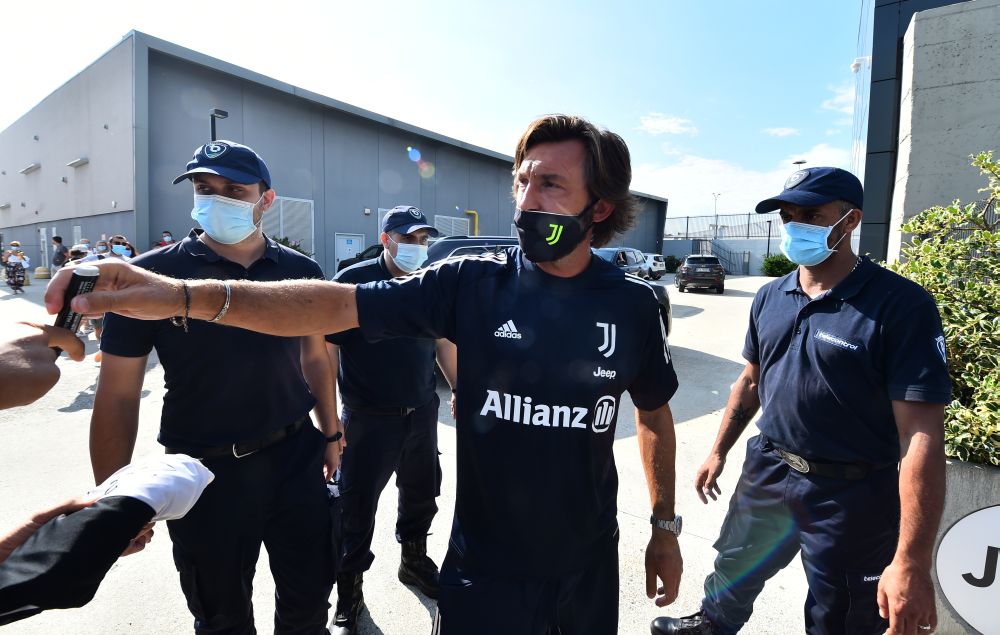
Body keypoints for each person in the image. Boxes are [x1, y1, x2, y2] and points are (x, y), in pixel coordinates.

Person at [47, 115, 684, 635]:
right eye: (521, 182)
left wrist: (663, 526)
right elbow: (331, 306)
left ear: (599, 207)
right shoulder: (471, 284)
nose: (526, 202)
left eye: (550, 185)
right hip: (484, 569)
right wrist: (177, 295)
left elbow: (654, 414)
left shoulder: (631, 305)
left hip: (587, 563)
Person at [651, 167, 951, 635]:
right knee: (736, 563)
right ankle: (711, 624)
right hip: (769, 468)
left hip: (851, 492)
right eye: (788, 216)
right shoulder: (772, 295)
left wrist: (911, 560)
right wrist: (718, 450)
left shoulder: (900, 305)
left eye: (812, 215)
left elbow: (921, 433)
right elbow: (751, 381)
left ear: (850, 221)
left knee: (842, 610)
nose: (796, 226)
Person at [89, 140, 340, 634]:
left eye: (234, 190)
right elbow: (117, 395)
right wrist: (115, 499)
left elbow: (315, 357)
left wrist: (331, 434)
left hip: (295, 457)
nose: (216, 200)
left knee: (309, 602)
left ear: (266, 200)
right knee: (220, 616)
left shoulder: (300, 272)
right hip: (204, 472)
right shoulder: (151, 277)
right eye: (205, 188)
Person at [327, 205, 457, 635]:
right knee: (355, 508)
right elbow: (326, 349)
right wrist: (329, 420)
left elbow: (443, 340)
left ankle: (413, 562)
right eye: (408, 239)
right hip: (367, 419)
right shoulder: (354, 282)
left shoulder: (430, 282)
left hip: (421, 413)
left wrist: (459, 387)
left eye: (423, 239)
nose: (418, 247)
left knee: (422, 494)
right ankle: (349, 594)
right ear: (386, 239)